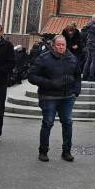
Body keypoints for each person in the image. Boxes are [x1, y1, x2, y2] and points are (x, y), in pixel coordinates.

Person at [28, 34, 82, 162]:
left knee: (68, 123)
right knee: (47, 123)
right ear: (53, 45)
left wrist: (76, 91)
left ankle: (66, 151)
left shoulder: (72, 58)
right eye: (58, 45)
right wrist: (49, 83)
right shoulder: (44, 58)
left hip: (68, 97)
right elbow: (31, 76)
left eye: (63, 45)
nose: (61, 47)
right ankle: (43, 151)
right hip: (49, 96)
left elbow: (78, 76)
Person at [81, 14, 95, 81]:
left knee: (88, 61)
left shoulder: (89, 25)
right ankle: (91, 76)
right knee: (94, 61)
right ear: (93, 18)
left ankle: (85, 76)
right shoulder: (93, 26)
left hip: (89, 44)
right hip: (93, 45)